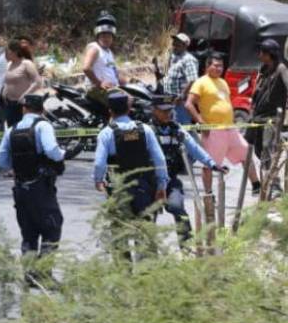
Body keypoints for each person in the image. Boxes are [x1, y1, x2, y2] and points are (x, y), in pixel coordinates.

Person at [0, 93, 65, 278]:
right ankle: (43, 273)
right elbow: (52, 151)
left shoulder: (12, 130)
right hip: (41, 186)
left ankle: (29, 275)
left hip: (20, 188)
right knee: (52, 226)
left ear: (24, 108)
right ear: (41, 109)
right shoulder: (43, 126)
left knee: (29, 232)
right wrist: (62, 154)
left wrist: (17, 165)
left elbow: (0, 159)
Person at [151, 94, 224, 247]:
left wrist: (212, 163)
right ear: (154, 110)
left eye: (169, 110)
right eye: (163, 111)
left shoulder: (176, 129)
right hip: (149, 181)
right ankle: (148, 254)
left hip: (170, 181)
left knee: (178, 208)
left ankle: (187, 246)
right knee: (147, 218)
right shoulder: (146, 130)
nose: (167, 114)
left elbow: (194, 148)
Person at [186, 53, 260, 195]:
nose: (219, 68)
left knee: (246, 153)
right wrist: (200, 121)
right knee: (209, 164)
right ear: (208, 66)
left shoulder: (223, 82)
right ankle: (209, 193)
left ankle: (256, 185)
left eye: (221, 66)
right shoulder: (201, 82)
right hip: (213, 131)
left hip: (230, 129)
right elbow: (189, 104)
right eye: (216, 65)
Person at [93, 90, 168, 219]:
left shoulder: (106, 133)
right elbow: (160, 159)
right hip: (143, 186)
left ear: (110, 111)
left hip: (118, 186)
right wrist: (161, 185)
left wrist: (98, 180)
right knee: (144, 231)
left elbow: (99, 163)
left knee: (120, 232)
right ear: (129, 109)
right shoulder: (145, 129)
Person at [248, 38, 288, 169]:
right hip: (258, 116)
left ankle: (273, 183)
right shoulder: (263, 69)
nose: (259, 55)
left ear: (269, 54)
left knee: (267, 148)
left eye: (262, 52)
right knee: (258, 149)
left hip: (272, 118)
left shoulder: (281, 68)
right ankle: (268, 178)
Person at [82, 12, 120, 112]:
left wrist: (127, 81)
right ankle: (115, 126)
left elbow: (113, 71)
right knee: (126, 100)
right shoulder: (95, 48)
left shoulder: (109, 52)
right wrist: (99, 83)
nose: (106, 38)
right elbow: (86, 68)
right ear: (98, 36)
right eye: (103, 36)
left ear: (112, 37)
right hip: (96, 89)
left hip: (110, 88)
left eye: (108, 36)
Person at [1, 40, 42, 127]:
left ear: (15, 52)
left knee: (24, 130)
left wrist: (24, 95)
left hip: (23, 104)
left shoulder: (26, 64)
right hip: (9, 104)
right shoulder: (9, 65)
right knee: (12, 128)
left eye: (7, 52)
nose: (5, 55)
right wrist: (5, 90)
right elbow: (8, 81)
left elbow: (37, 82)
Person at [164, 32, 199, 125]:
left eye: (177, 43)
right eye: (174, 43)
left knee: (182, 127)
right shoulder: (174, 57)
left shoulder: (188, 59)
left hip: (180, 102)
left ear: (185, 45)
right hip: (170, 98)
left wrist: (182, 95)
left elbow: (193, 80)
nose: (174, 45)